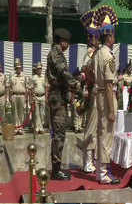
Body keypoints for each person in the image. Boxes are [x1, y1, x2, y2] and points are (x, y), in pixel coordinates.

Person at [46, 28, 80, 180]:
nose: (68, 45)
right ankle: (56, 171)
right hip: (57, 97)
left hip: (59, 97)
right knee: (59, 134)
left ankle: (56, 167)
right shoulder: (56, 53)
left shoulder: (56, 52)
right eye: (67, 42)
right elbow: (63, 72)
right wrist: (75, 84)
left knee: (59, 133)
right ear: (62, 41)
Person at [94, 5, 120, 184]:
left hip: (99, 95)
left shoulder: (97, 53)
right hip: (106, 96)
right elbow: (110, 85)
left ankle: (100, 170)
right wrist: (112, 109)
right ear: (109, 36)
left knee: (101, 133)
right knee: (107, 134)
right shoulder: (108, 56)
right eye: (113, 35)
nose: (114, 37)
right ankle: (103, 173)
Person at [80, 10, 101, 174]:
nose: (95, 39)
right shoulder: (89, 54)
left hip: (99, 95)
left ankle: (92, 159)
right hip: (93, 94)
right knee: (91, 128)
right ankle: (87, 161)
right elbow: (86, 73)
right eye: (93, 37)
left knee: (97, 129)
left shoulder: (96, 53)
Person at [9, 59, 28, 135]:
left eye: (19, 68)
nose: (18, 69)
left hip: (22, 96)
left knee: (21, 112)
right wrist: (9, 97)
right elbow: (9, 87)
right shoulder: (12, 76)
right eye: (17, 68)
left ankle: (20, 128)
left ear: (21, 68)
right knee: (15, 112)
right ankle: (15, 127)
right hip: (14, 95)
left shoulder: (24, 76)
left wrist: (26, 97)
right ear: (15, 69)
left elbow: (27, 87)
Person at [30, 62, 47, 134]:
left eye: (40, 69)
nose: (39, 70)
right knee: (36, 113)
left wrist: (46, 96)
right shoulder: (33, 78)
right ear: (36, 70)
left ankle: (41, 126)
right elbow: (31, 88)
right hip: (36, 96)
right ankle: (37, 128)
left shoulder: (44, 77)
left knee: (42, 113)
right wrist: (32, 97)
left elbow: (46, 87)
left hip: (43, 96)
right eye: (38, 69)